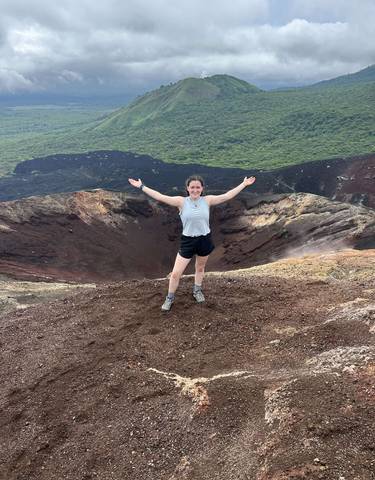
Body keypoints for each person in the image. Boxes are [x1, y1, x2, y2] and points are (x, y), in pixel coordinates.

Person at [128, 175, 256, 311]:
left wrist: (244, 184)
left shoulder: (207, 200)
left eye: (198, 187)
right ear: (188, 189)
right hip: (188, 241)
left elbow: (227, 196)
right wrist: (141, 186)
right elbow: (160, 196)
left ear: (202, 189)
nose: (195, 190)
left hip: (204, 239)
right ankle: (170, 298)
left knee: (200, 268)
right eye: (192, 187)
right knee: (176, 273)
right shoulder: (181, 202)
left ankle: (197, 290)